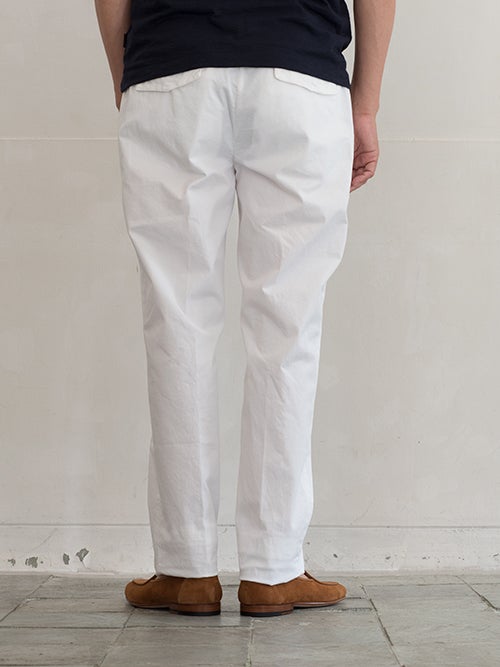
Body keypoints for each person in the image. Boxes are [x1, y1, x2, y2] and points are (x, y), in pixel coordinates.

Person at [94, 0, 395, 617]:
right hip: (300, 73)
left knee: (176, 324)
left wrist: (130, 76)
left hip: (171, 69)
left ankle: (186, 568)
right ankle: (274, 570)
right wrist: (364, 106)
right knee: (289, 328)